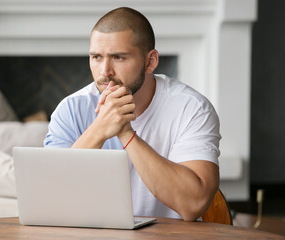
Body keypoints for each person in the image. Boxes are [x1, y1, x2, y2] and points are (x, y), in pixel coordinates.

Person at [44, 7, 221, 221]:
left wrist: (127, 134)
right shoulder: (70, 109)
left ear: (150, 61)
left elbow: (194, 204)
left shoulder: (192, 108)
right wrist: (99, 129)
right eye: (96, 57)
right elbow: (49, 199)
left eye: (118, 57)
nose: (104, 71)